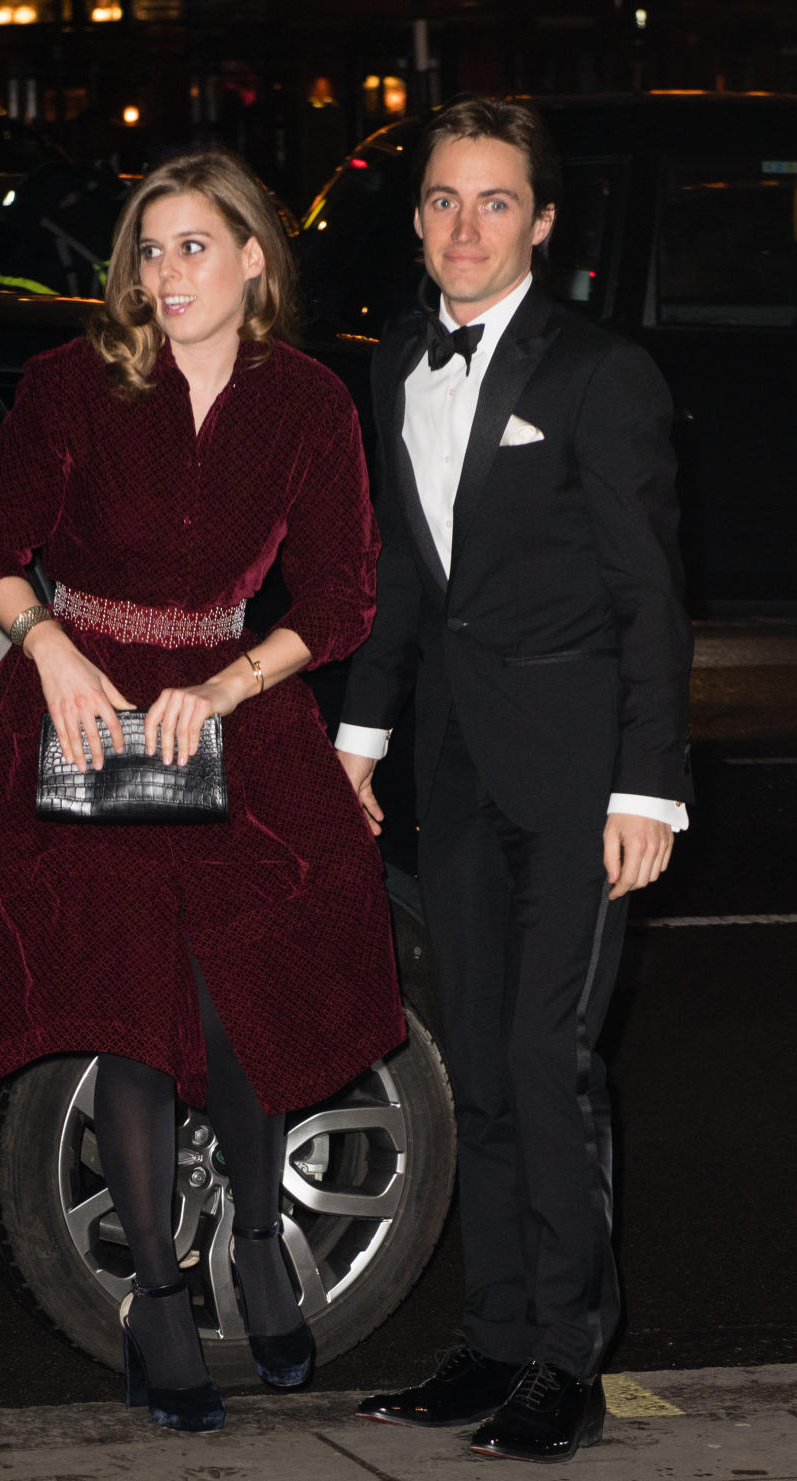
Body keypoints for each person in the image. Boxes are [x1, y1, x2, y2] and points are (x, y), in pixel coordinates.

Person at [0, 149, 405, 1434]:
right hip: (85, 713)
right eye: (149, 251)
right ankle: (157, 1294)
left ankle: (257, 1239)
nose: (164, 274)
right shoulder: (73, 384)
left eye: (192, 246)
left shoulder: (310, 403)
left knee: (244, 985)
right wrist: (50, 646)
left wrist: (234, 680)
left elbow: (345, 594)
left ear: (255, 259)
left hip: (233, 706)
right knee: (137, 1003)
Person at [336, 96, 693, 1464]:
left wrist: (648, 789)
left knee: (551, 1061)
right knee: (478, 1067)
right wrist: (362, 742)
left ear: (542, 221)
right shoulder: (395, 365)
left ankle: (565, 1358)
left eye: (494, 201)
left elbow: (652, 602)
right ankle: (490, 1339)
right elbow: (408, 592)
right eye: (441, 198)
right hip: (459, 772)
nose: (463, 226)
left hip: (584, 780)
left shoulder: (602, 376)